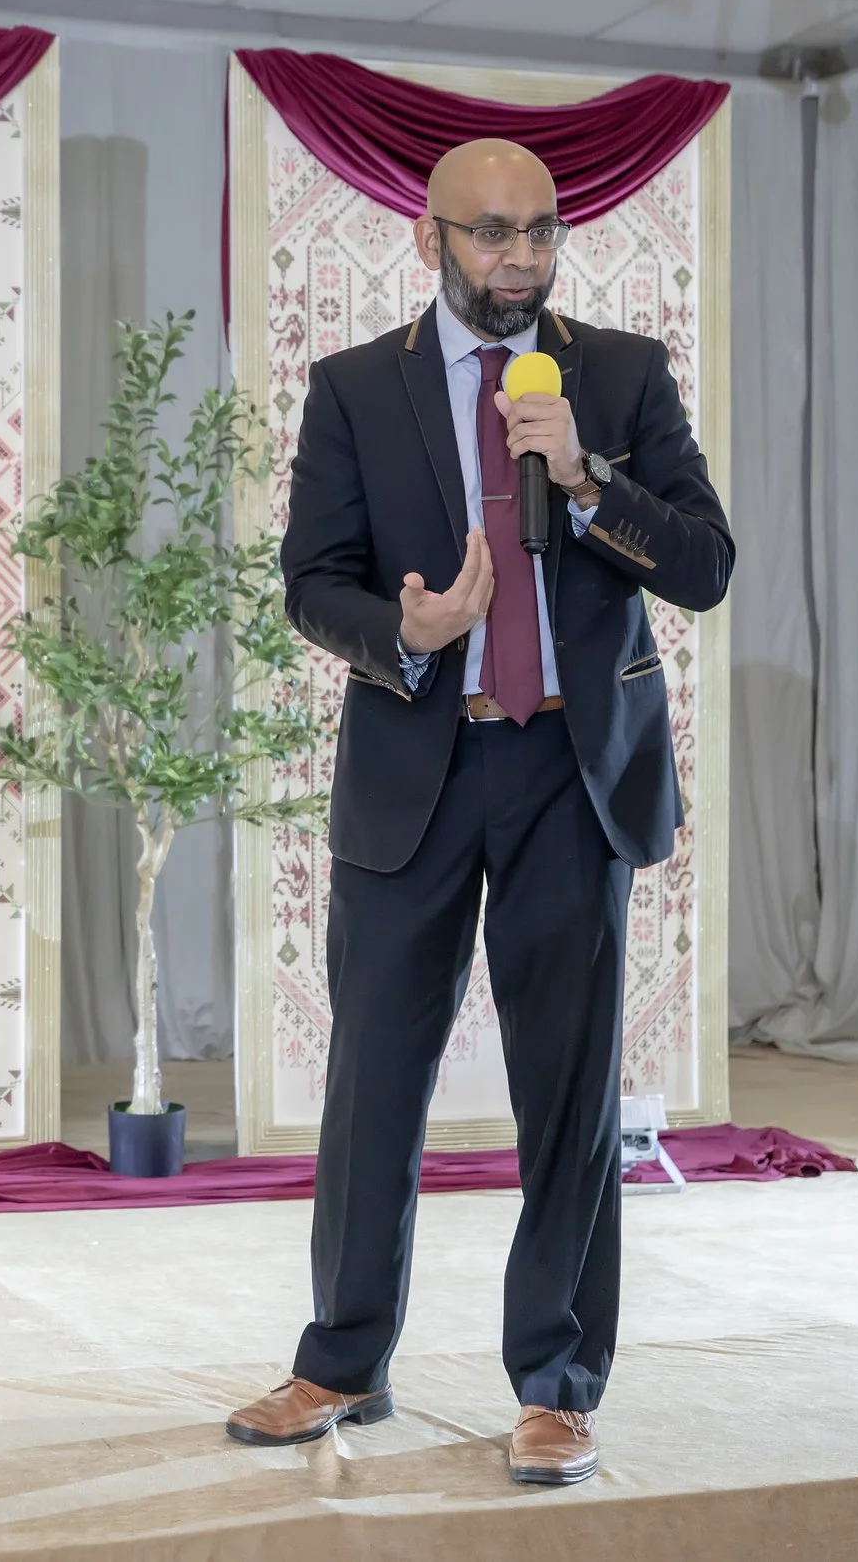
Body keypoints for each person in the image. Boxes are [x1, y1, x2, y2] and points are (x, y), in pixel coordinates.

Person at [226, 139, 732, 1486]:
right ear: (430, 240)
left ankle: (558, 1383)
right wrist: (407, 630)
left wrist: (588, 479)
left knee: (567, 1090)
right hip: (418, 763)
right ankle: (342, 1359)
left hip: (574, 769)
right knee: (372, 1082)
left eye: (541, 232)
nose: (520, 257)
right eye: (491, 233)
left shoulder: (620, 374)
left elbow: (704, 564)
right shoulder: (354, 388)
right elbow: (311, 579)